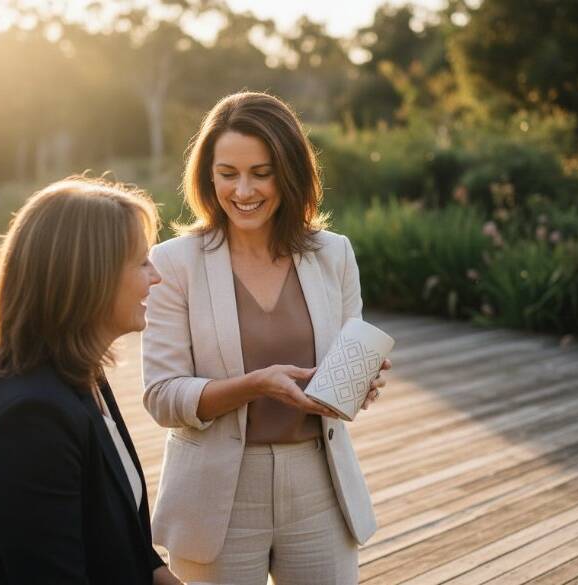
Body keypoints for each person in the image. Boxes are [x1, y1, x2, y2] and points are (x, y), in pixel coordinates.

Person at [142, 92, 391, 584]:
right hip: (216, 498)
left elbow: (343, 371)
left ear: (290, 172)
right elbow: (161, 397)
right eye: (227, 172)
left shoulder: (333, 254)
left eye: (262, 172)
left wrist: (359, 384)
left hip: (319, 488)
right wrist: (255, 386)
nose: (243, 190)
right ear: (207, 175)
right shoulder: (174, 264)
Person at [0, 177, 183, 585]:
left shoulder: (83, 374)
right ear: (88, 278)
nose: (156, 277)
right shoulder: (29, 417)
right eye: (141, 263)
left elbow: (122, 539)